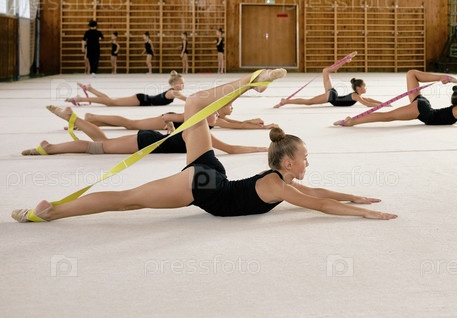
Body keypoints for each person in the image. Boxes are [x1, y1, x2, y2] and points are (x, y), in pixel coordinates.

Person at [12, 69, 397, 223]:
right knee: (125, 200)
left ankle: (251, 81)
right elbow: (318, 204)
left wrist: (354, 196)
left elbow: (317, 193)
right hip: (203, 186)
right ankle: (51, 211)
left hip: (211, 174)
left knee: (195, 104)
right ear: (288, 163)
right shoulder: (278, 185)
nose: (308, 164)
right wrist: (363, 214)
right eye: (305, 159)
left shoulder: (281, 181)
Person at [24, 106, 264, 156]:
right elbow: (232, 149)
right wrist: (261, 148)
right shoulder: (203, 132)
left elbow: (175, 137)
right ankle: (53, 144)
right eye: (215, 115)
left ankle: (74, 120)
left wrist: (170, 129)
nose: (218, 118)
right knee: (95, 147)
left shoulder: (194, 126)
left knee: (100, 142)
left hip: (151, 140)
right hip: (146, 142)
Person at [334, 70, 457, 127]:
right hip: (422, 110)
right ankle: (352, 121)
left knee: (411, 74)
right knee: (386, 116)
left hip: (423, 106)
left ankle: (442, 77)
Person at [275, 53, 382, 108]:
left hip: (333, 94)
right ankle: (286, 101)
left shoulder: (356, 95)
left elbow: (369, 99)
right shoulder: (356, 96)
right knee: (309, 102)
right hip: (332, 97)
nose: (366, 88)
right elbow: (367, 104)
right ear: (358, 88)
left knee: (326, 71)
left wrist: (383, 103)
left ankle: (345, 60)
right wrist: (381, 105)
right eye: (364, 86)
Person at [80, 103, 277, 131]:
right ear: (222, 107)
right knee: (130, 124)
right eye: (230, 106)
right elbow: (236, 126)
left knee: (130, 125)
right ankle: (92, 116)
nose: (232, 109)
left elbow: (236, 123)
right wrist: (169, 121)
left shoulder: (215, 116)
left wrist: (258, 123)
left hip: (169, 120)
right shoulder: (211, 115)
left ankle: (90, 122)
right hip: (167, 120)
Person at [67, 70, 186, 107]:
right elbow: (188, 99)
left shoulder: (172, 91)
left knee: (110, 101)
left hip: (142, 99)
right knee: (111, 103)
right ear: (174, 84)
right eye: (181, 83)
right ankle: (80, 99)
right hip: (141, 100)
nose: (183, 85)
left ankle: (89, 89)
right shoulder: (173, 92)